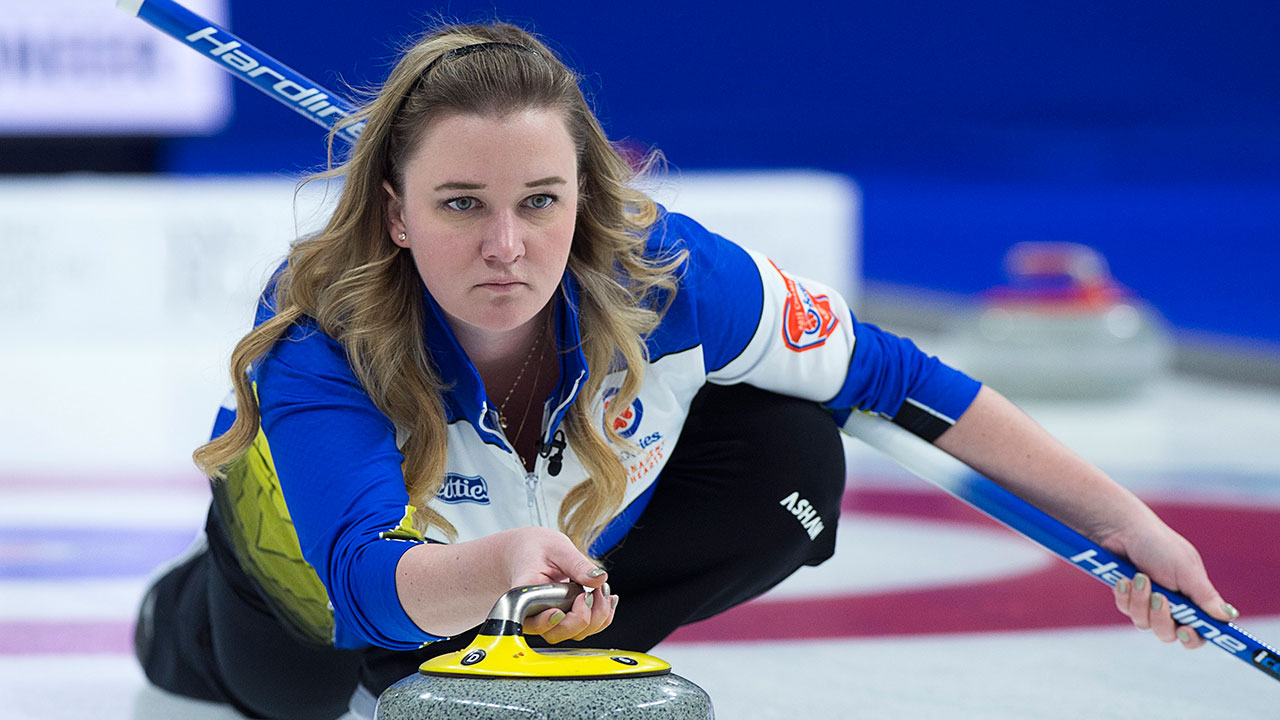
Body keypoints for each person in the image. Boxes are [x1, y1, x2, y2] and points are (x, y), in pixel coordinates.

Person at [134, 20, 1239, 720]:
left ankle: (568, 639)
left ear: (585, 197)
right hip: (319, 585)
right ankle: (189, 609)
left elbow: (899, 381)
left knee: (790, 452)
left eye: (540, 202)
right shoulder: (320, 327)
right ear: (397, 212)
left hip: (521, 563)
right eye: (460, 204)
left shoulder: (678, 280)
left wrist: (1125, 524)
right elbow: (366, 584)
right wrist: (499, 566)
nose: (507, 248)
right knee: (288, 689)